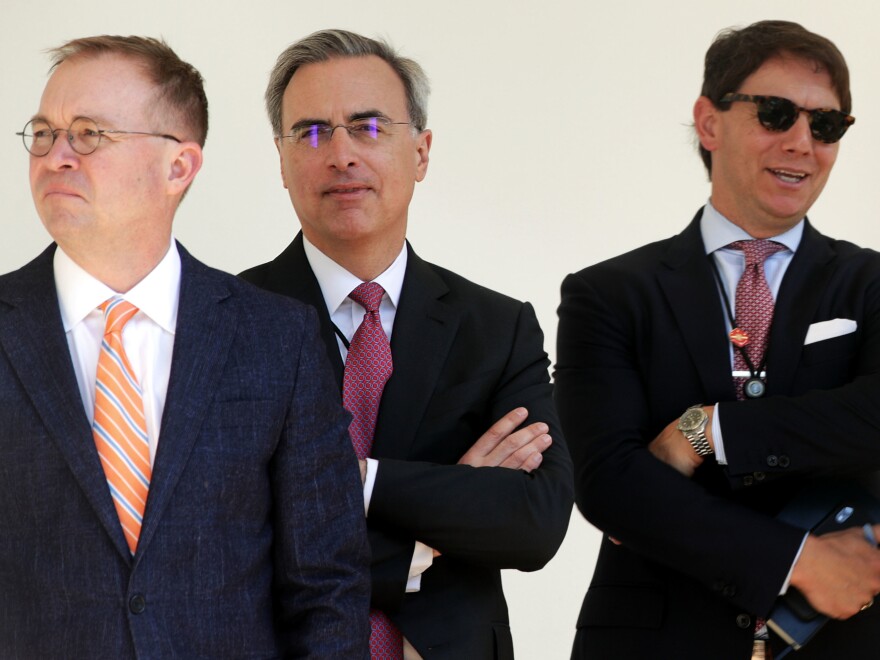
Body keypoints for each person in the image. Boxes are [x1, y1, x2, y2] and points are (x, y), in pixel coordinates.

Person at [0, 35, 370, 658]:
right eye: (43, 133)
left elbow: (327, 588)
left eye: (88, 133)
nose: (56, 156)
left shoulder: (279, 340)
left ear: (179, 166)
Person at [240, 29, 573, 660]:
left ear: (420, 152)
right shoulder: (224, 323)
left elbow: (534, 521)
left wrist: (356, 479)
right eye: (311, 132)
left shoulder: (496, 328)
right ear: (281, 161)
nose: (340, 154)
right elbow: (220, 536)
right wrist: (447, 508)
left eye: (368, 127)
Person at [556, 20, 880, 660]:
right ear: (709, 122)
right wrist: (798, 561)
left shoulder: (871, 284)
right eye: (777, 113)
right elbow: (610, 484)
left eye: (826, 125)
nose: (801, 143)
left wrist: (709, 432)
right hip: (658, 641)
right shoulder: (608, 293)